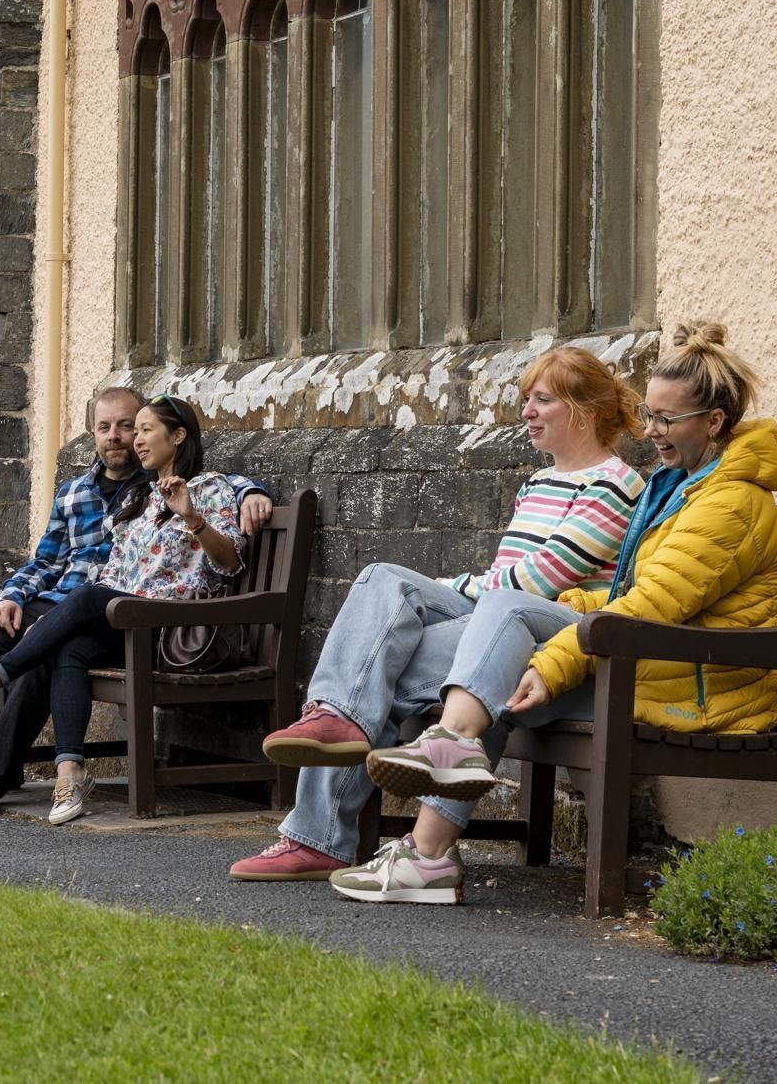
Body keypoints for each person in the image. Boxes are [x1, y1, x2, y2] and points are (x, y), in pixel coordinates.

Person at [327, 320, 777, 904]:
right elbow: (639, 591)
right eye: (648, 415)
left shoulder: (731, 503)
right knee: (488, 669)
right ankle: (435, 814)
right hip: (651, 658)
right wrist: (575, 607)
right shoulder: (685, 487)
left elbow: (651, 608)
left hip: (694, 682)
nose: (650, 432)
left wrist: (553, 662)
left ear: (715, 423)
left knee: (496, 649)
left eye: (665, 420)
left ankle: (425, 830)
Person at [228, 345, 646, 890]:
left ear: (583, 411)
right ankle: (336, 722)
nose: (526, 412)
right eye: (526, 400)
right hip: (498, 622)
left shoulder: (614, 485)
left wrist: (452, 586)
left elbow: (533, 584)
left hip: (549, 645)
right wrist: (464, 589)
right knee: (382, 578)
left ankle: (318, 831)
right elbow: (502, 581)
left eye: (541, 400)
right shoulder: (540, 483)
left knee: (378, 667)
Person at [0, 388, 271, 821]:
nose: (125, 438)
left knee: (64, 626)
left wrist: (234, 498)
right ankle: (53, 772)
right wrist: (12, 597)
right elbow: (57, 562)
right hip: (95, 610)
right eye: (109, 428)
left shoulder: (190, 487)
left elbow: (229, 550)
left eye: (137, 428)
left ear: (175, 436)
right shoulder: (124, 499)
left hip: (158, 618)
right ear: (92, 434)